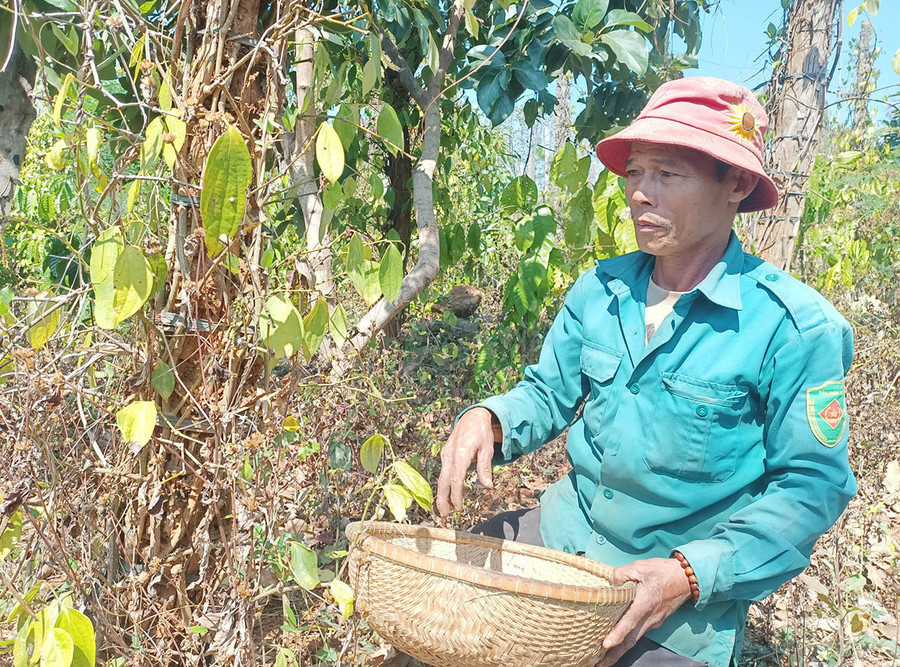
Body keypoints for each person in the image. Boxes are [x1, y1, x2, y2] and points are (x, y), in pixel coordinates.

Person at [435, 77, 856, 666]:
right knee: (440, 608)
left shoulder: (793, 327)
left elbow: (811, 487)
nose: (639, 194)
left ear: (735, 184)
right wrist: (491, 417)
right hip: (563, 538)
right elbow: (547, 394)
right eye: (635, 172)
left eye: (668, 174)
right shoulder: (602, 288)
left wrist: (686, 576)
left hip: (669, 606)